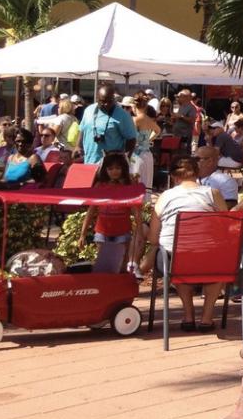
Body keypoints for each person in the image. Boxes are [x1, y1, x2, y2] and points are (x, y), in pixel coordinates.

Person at [138, 155, 229, 331]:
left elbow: (153, 238)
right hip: (210, 260)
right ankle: (207, 318)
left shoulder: (165, 197)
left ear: (174, 176)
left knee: (176, 260)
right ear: (197, 173)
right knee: (218, 269)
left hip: (173, 261)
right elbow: (226, 227)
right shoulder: (213, 194)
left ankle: (188, 316)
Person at [82, 151, 140, 274]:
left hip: (123, 231)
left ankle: (120, 290)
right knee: (103, 264)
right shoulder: (99, 186)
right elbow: (91, 210)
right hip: (102, 232)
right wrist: (83, 233)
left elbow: (136, 210)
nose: (114, 171)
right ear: (105, 170)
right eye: (110, 168)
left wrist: (139, 231)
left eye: (118, 168)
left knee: (122, 266)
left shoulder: (128, 187)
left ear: (123, 169)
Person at [78, 85, 137, 166]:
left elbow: (131, 140)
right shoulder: (89, 110)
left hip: (110, 168)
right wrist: (78, 147)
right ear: (97, 98)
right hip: (89, 162)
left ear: (113, 99)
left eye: (109, 101)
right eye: (103, 101)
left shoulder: (123, 115)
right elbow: (82, 129)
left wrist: (124, 159)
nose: (106, 104)